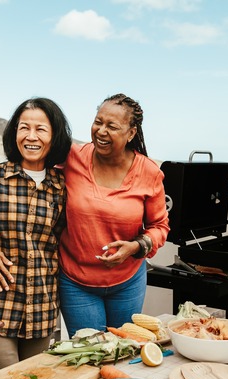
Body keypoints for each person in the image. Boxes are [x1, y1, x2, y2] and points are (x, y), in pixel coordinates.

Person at [0, 98, 72, 373]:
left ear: (54, 136)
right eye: (24, 128)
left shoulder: (62, 188)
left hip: (41, 307)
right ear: (14, 132)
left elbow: (59, 239)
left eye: (41, 129)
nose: (31, 136)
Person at [58, 93, 169, 336]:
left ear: (131, 133)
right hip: (76, 282)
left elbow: (159, 226)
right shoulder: (72, 158)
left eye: (112, 126)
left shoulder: (149, 172)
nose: (101, 131)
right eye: (98, 122)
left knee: (123, 354)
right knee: (91, 354)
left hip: (127, 283)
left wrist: (135, 246)